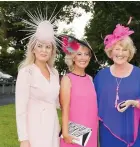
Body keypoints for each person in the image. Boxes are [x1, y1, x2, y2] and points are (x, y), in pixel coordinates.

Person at [94, 21, 140, 147]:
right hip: (107, 131)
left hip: (132, 131)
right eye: (117, 49)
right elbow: (92, 103)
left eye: (125, 50)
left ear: (130, 53)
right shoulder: (101, 76)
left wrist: (133, 102)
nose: (120, 53)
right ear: (111, 51)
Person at [15, 10, 60, 147]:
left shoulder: (55, 73)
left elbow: (57, 102)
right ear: (33, 49)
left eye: (48, 47)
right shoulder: (26, 72)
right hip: (34, 128)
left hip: (52, 126)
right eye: (39, 46)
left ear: (52, 51)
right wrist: (24, 138)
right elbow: (20, 108)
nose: (43, 50)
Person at [59, 35, 98, 147]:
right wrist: (65, 133)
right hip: (73, 133)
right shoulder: (67, 79)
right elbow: (64, 108)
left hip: (91, 130)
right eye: (79, 54)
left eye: (86, 54)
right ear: (73, 57)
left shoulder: (90, 79)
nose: (83, 57)